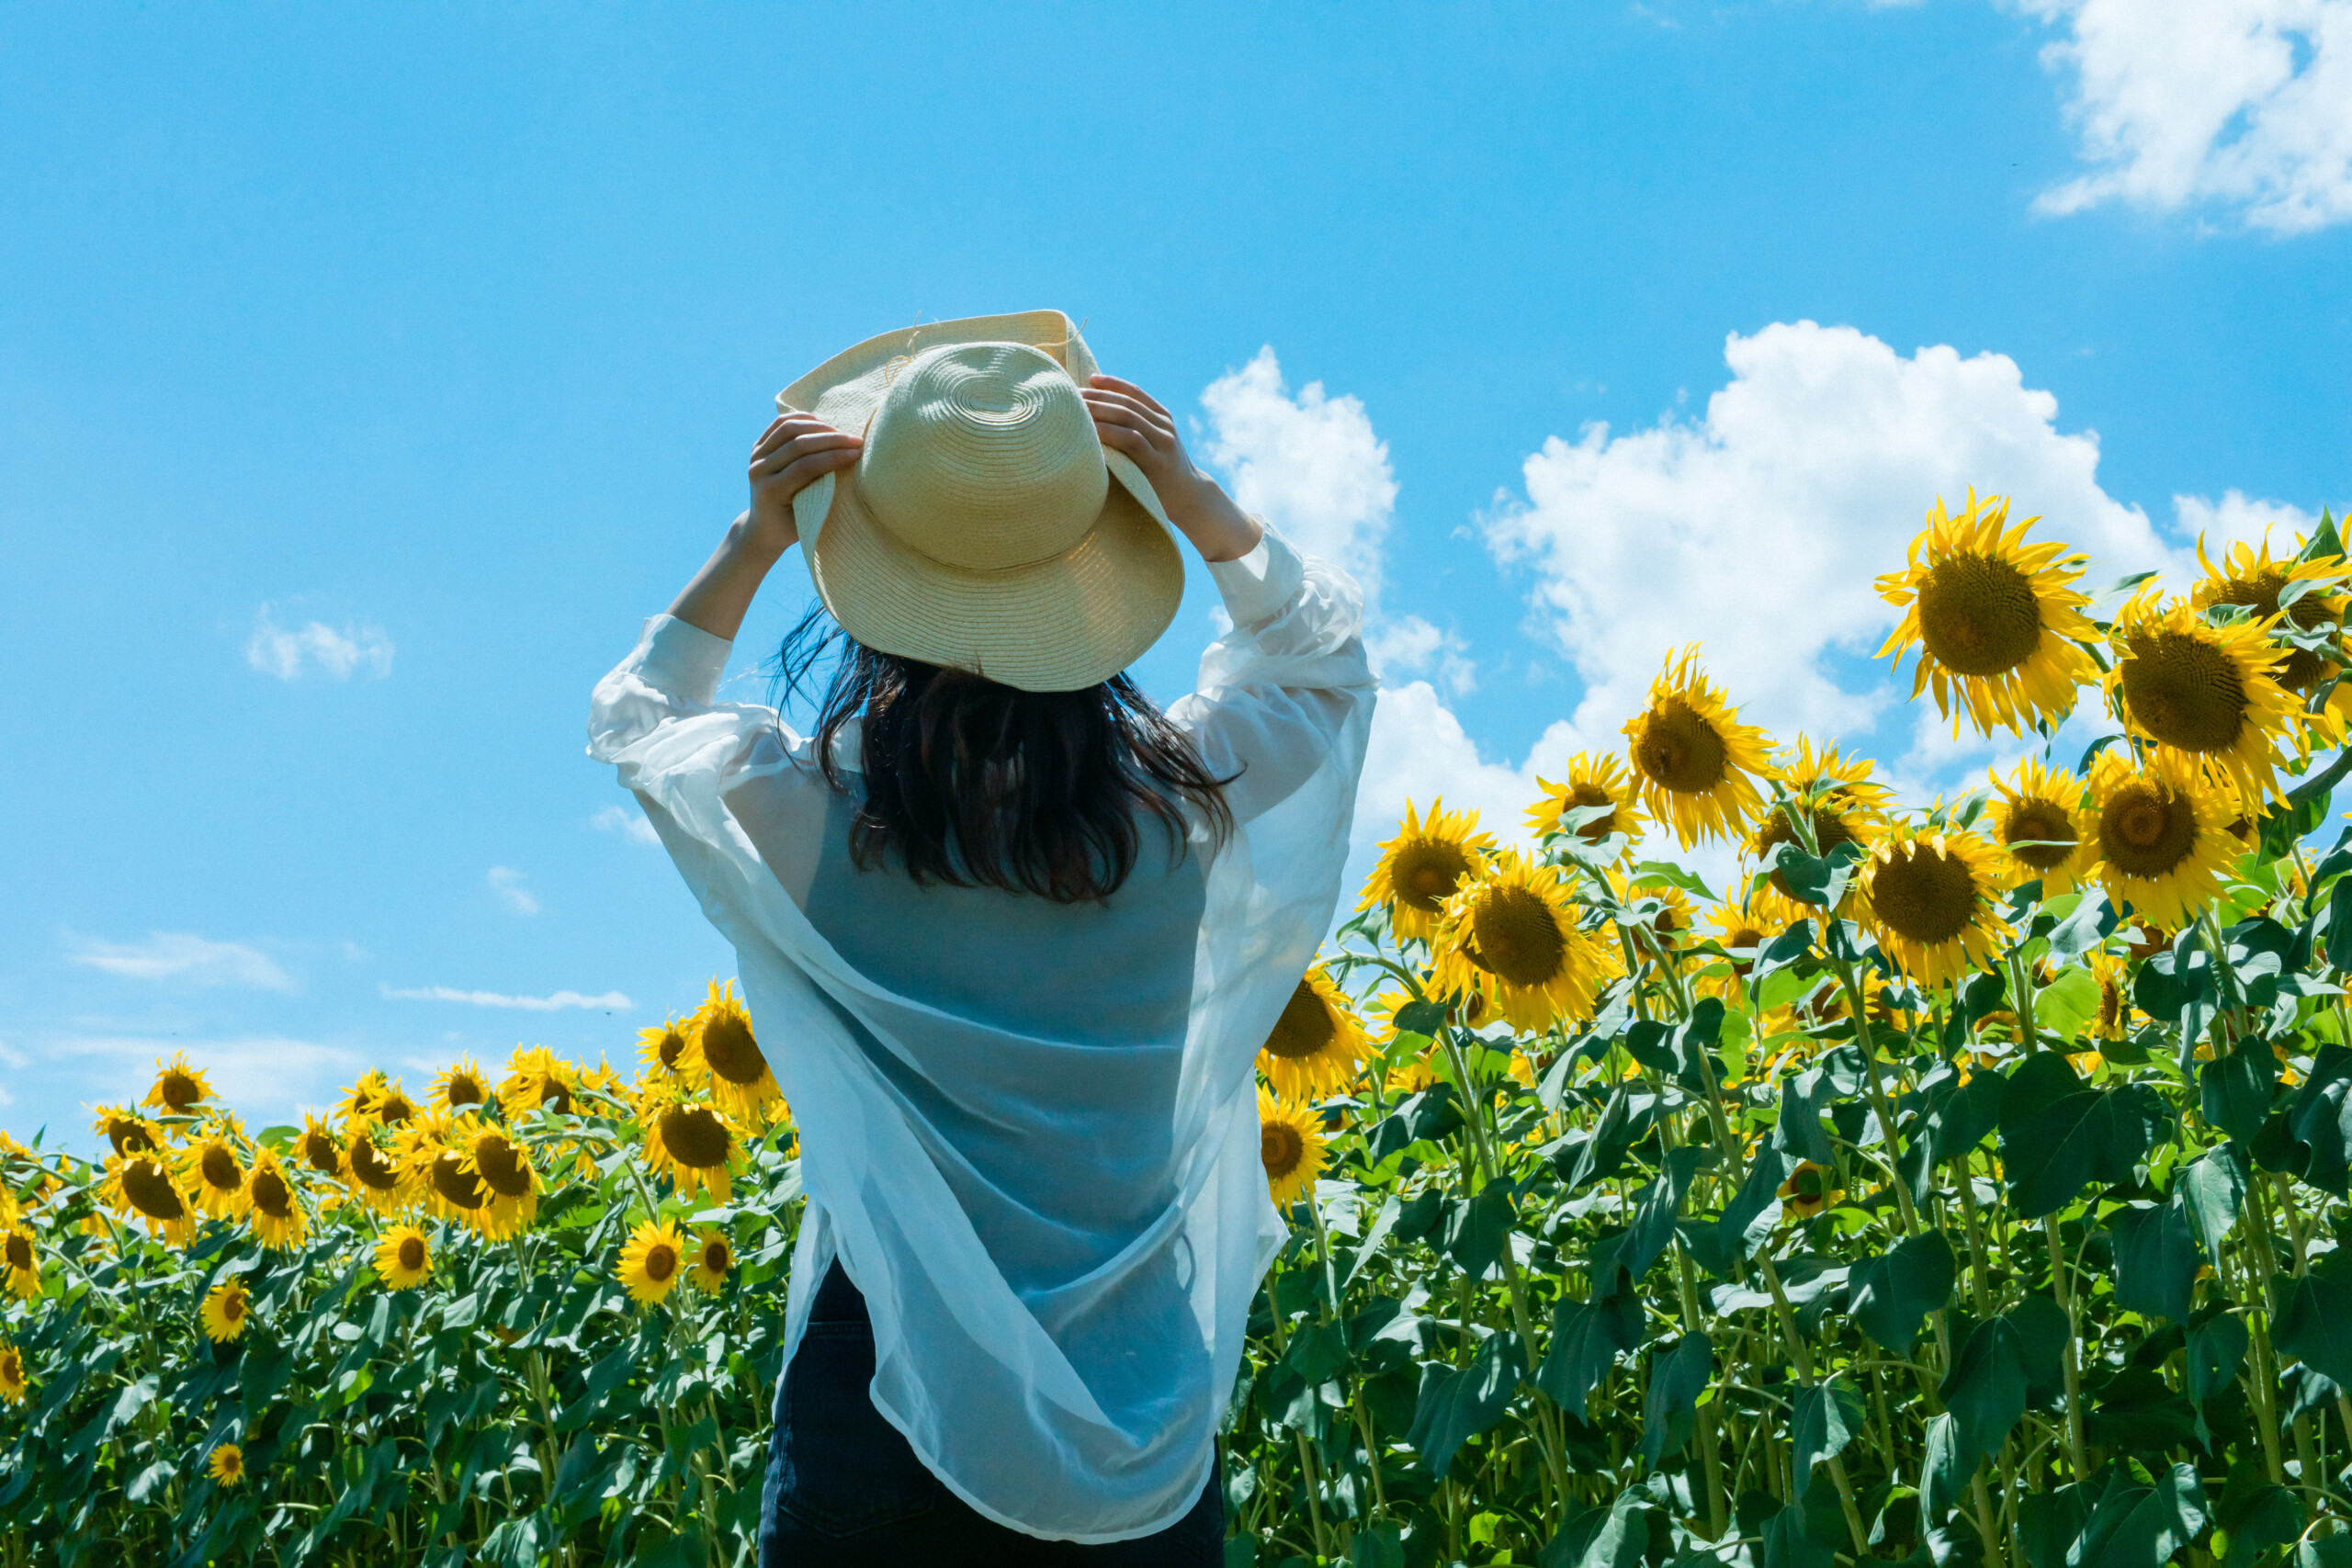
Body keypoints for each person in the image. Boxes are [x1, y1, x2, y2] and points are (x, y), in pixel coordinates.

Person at [587, 311, 1374, 1561]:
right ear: (1095, 576)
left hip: (891, 1374)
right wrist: (1197, 498)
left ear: (869, 587)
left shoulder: (818, 824)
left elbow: (640, 719)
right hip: (1135, 1407)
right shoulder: (1180, 815)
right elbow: (1322, 660)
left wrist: (750, 543)